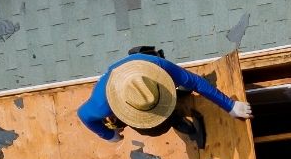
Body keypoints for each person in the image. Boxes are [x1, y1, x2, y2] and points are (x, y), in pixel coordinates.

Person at [77, 50, 252, 143]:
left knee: (183, 81)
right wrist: (110, 135)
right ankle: (171, 119)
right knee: (155, 129)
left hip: (144, 69)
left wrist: (230, 105)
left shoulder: (158, 66)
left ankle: (171, 97)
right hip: (123, 94)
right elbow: (83, 116)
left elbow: (197, 82)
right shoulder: (101, 105)